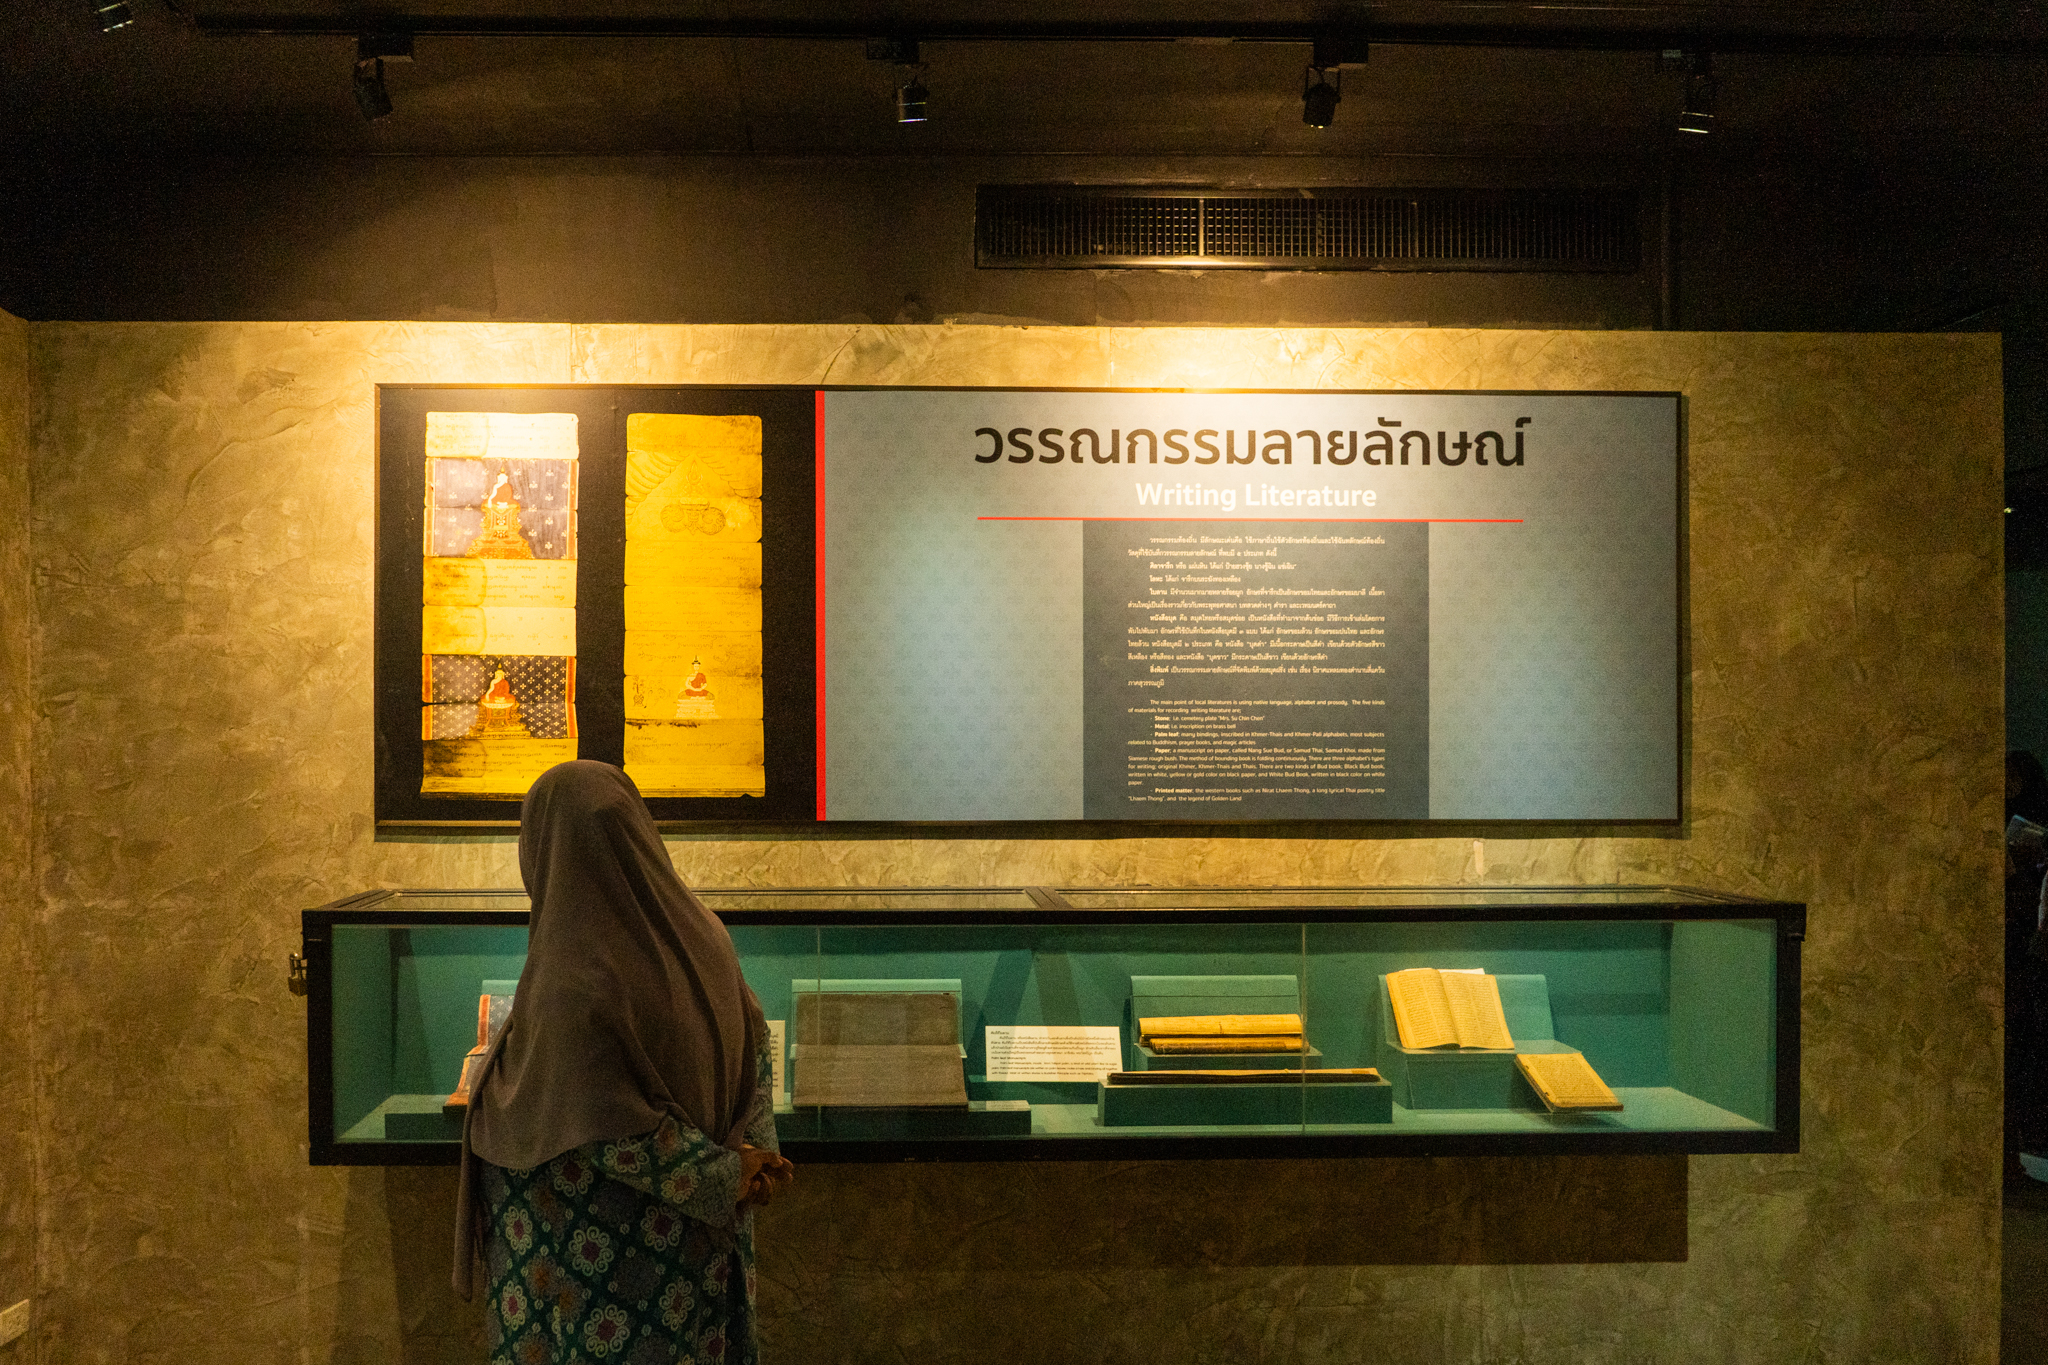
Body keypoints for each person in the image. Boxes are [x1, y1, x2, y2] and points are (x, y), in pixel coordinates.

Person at [453, 760, 794, 1364]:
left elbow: (599, 1120)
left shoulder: (571, 972)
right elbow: (753, 1041)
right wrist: (748, 1161)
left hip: (599, 1270)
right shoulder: (703, 933)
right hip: (699, 1257)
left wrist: (720, 1175)